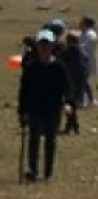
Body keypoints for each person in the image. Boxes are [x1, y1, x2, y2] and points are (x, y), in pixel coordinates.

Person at [18, 30, 70, 182]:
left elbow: (67, 87)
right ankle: (33, 171)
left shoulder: (59, 67)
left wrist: (67, 102)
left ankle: (48, 173)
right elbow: (24, 91)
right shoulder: (31, 67)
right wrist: (22, 111)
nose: (44, 47)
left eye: (47, 44)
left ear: (53, 45)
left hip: (53, 109)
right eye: (42, 44)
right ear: (37, 45)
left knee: (50, 140)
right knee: (33, 139)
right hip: (35, 109)